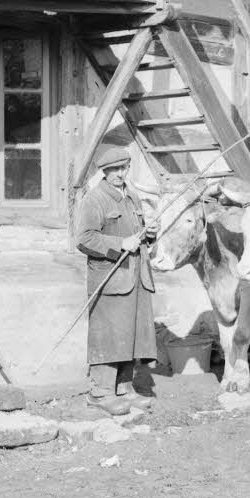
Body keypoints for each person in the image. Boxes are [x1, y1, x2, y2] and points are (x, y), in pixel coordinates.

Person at [76, 145, 158, 416]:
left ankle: (124, 389)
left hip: (136, 277)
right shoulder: (95, 199)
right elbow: (85, 239)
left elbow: (138, 233)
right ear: (105, 171)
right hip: (110, 280)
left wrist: (149, 233)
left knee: (130, 335)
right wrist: (121, 243)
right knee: (109, 336)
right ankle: (100, 392)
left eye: (124, 169)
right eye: (114, 170)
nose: (120, 174)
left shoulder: (131, 198)